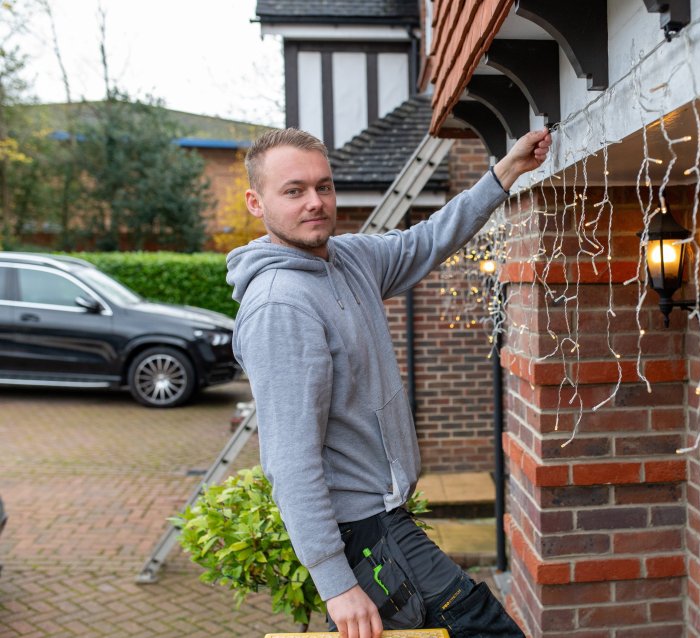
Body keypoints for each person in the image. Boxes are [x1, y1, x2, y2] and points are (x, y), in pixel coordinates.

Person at [226, 126, 551, 638]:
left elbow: (427, 239)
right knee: (487, 627)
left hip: (386, 514)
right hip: (361, 531)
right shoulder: (280, 307)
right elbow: (290, 461)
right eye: (294, 191)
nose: (315, 202)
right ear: (255, 201)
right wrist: (336, 584)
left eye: (324, 186)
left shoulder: (348, 259)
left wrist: (506, 171)